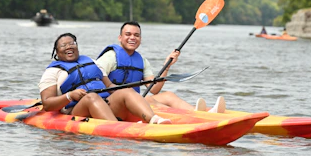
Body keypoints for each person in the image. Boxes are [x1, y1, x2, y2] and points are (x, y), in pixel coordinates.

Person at [38, 32, 172, 124]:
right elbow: (47, 104)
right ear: (56, 52)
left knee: (126, 90)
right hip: (76, 111)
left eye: (72, 43)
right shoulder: (52, 71)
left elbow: (109, 86)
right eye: (63, 45)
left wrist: (125, 91)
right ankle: (117, 128)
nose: (69, 47)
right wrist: (70, 96)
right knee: (91, 97)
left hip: (105, 103)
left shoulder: (92, 62)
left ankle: (153, 119)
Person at [96, 21, 225, 113]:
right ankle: (183, 116)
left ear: (140, 38)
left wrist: (166, 66)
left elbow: (155, 89)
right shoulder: (110, 56)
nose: (132, 38)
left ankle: (197, 112)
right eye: (128, 34)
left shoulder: (141, 61)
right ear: (120, 37)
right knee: (147, 99)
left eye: (136, 35)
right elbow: (95, 76)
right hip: (109, 103)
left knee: (168, 95)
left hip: (133, 101)